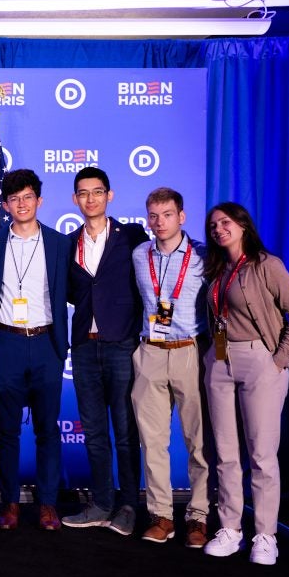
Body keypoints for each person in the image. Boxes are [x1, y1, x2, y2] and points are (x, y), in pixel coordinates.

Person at [201, 202, 289, 565]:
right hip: (220, 360)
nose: (218, 229)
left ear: (243, 225)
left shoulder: (267, 265)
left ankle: (265, 535)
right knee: (226, 453)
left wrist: (278, 360)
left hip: (259, 361)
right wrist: (213, 357)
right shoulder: (218, 269)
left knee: (262, 454)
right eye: (214, 225)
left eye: (225, 222)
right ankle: (230, 528)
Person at [62, 167, 148, 537]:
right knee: (94, 431)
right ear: (75, 200)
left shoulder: (133, 236)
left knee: (126, 430)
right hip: (84, 345)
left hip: (121, 344)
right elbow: (70, 292)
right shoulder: (69, 243)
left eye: (97, 192)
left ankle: (128, 504)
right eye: (83, 193)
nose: (90, 199)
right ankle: (100, 502)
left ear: (109, 196)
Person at [0, 169, 70, 532]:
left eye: (28, 197)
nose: (21, 204)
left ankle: (48, 504)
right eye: (14, 198)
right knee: (6, 430)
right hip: (6, 343)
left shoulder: (60, 243)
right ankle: (9, 502)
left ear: (39, 200)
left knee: (47, 430)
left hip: (47, 343)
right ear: (5, 205)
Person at [130, 188, 210, 548]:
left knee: (199, 441)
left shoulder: (204, 257)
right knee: (153, 442)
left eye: (166, 214)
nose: (159, 222)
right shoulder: (139, 254)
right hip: (149, 351)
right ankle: (161, 515)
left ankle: (198, 516)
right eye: (153, 215)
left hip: (189, 351)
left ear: (182, 216)